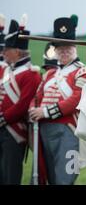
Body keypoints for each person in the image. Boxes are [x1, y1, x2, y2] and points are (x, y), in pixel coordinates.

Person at [28, 15, 86, 185]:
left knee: (65, 178)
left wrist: (45, 112)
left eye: (68, 47)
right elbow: (36, 97)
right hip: (44, 130)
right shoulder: (49, 74)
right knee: (47, 177)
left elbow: (76, 100)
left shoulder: (83, 71)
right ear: (54, 50)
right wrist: (32, 109)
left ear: (75, 47)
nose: (64, 51)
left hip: (69, 131)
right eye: (60, 48)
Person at [0, 16, 41, 184]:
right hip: (3, 128)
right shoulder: (9, 71)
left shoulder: (31, 73)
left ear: (16, 51)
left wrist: (3, 118)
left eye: (6, 50)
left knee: (10, 175)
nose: (3, 53)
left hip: (14, 131)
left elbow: (23, 105)